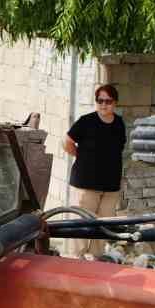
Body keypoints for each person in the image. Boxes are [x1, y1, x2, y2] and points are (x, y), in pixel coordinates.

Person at [62, 84, 126, 259]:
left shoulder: (119, 123)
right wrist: (81, 157)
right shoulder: (86, 121)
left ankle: (96, 258)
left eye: (108, 101)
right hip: (86, 182)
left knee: (104, 223)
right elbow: (67, 142)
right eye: (100, 101)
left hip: (111, 185)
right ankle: (77, 258)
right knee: (82, 223)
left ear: (115, 103)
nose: (104, 105)